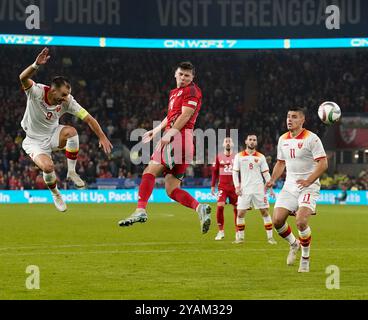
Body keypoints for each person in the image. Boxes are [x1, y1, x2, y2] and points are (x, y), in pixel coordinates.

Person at [118, 62, 211, 233]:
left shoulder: (192, 91)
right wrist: (156, 130)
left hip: (179, 138)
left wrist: (170, 134)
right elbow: (171, 116)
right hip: (183, 142)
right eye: (181, 74)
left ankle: (140, 210)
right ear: (175, 73)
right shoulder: (174, 93)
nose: (183, 78)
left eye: (187, 76)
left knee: (149, 171)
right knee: (172, 189)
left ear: (192, 78)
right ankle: (199, 208)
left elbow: (186, 115)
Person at [19, 47, 113, 212]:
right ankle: (56, 194)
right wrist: (35, 65)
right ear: (53, 90)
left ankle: (71, 172)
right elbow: (22, 77)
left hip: (53, 134)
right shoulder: (37, 92)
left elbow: (89, 118)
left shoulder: (68, 101)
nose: (65, 99)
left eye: (67, 95)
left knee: (72, 132)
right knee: (48, 168)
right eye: (62, 95)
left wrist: (102, 136)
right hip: (34, 141)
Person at [265, 108, 328, 273]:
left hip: (309, 185)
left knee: (300, 221)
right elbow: (280, 163)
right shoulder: (283, 139)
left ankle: (305, 258)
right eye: (288, 116)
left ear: (302, 120)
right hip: (289, 185)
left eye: (294, 117)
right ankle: (294, 244)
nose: (289, 120)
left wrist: (309, 180)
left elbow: (323, 164)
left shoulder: (312, 139)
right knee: (277, 221)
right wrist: (272, 179)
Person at [232, 134, 277, 244]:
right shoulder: (239, 156)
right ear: (246, 142)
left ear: (256, 143)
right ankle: (241, 238)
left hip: (259, 189)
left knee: (265, 212)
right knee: (240, 213)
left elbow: (266, 174)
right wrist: (237, 187)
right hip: (244, 190)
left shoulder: (261, 157)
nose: (252, 141)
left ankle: (270, 238)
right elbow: (235, 173)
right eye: (250, 140)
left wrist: (270, 188)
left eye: (254, 140)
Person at [211, 137, 238, 241]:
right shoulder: (218, 157)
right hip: (222, 186)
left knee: (237, 210)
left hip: (234, 187)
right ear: (223, 144)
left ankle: (237, 232)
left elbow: (241, 172)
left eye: (229, 141)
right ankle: (221, 231)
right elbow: (214, 172)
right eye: (226, 141)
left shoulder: (237, 157)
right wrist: (213, 186)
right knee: (220, 206)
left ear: (232, 144)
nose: (228, 143)